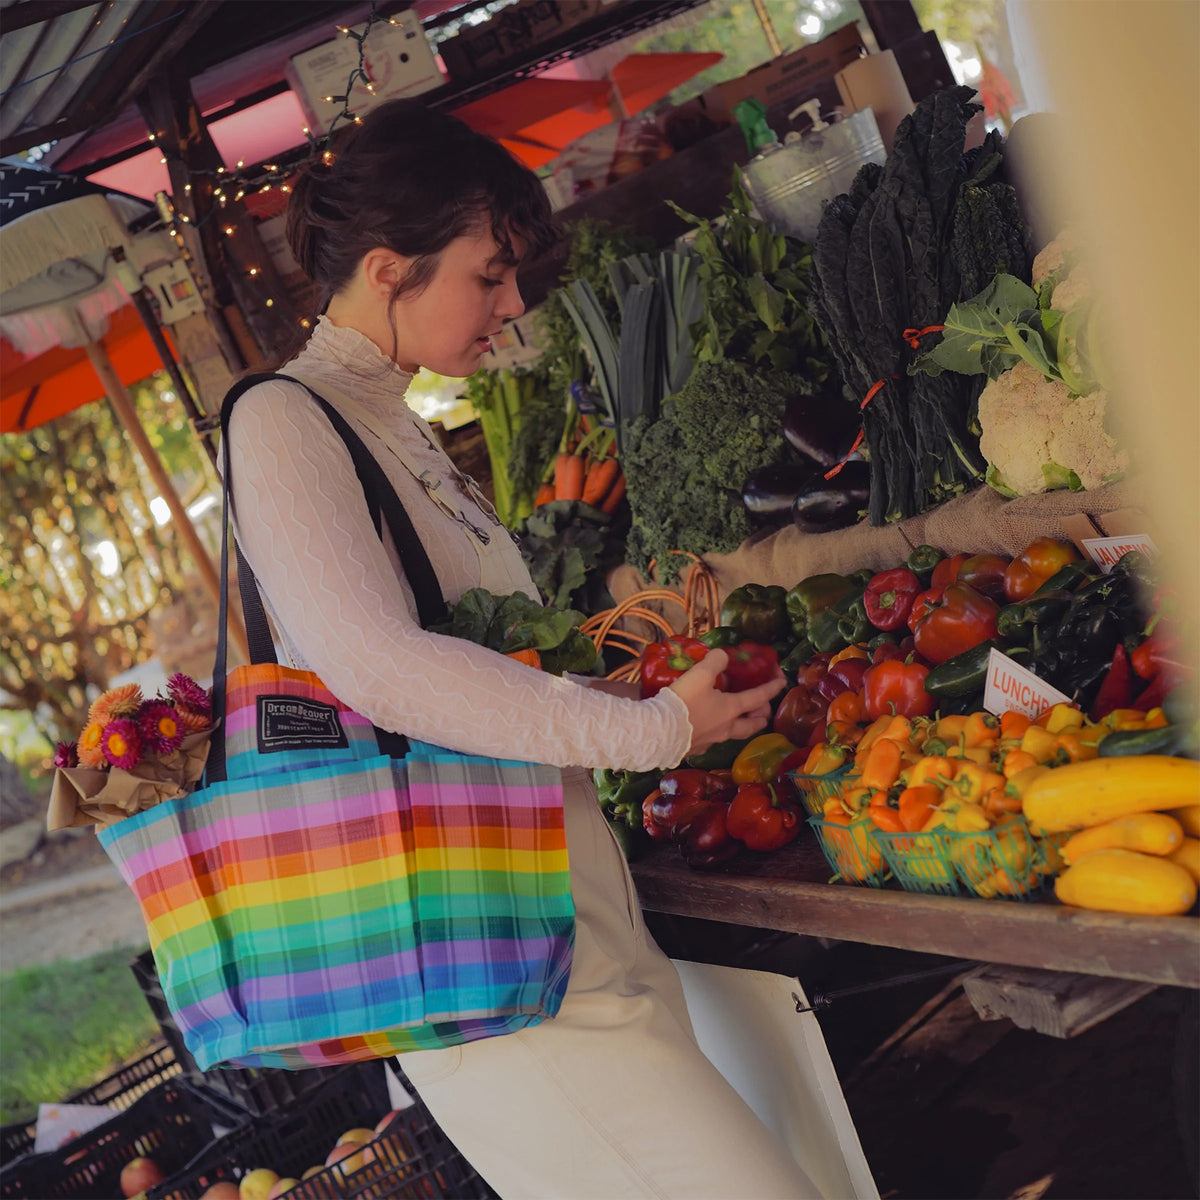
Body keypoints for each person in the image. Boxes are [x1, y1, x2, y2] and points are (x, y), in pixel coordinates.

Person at [225, 98, 819, 1199]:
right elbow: (382, 670)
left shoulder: (391, 418)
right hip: (489, 973)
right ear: (392, 270)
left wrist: (622, 689)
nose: (512, 302)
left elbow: (468, 669)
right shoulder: (282, 422)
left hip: (567, 928)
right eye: (488, 274)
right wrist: (643, 728)